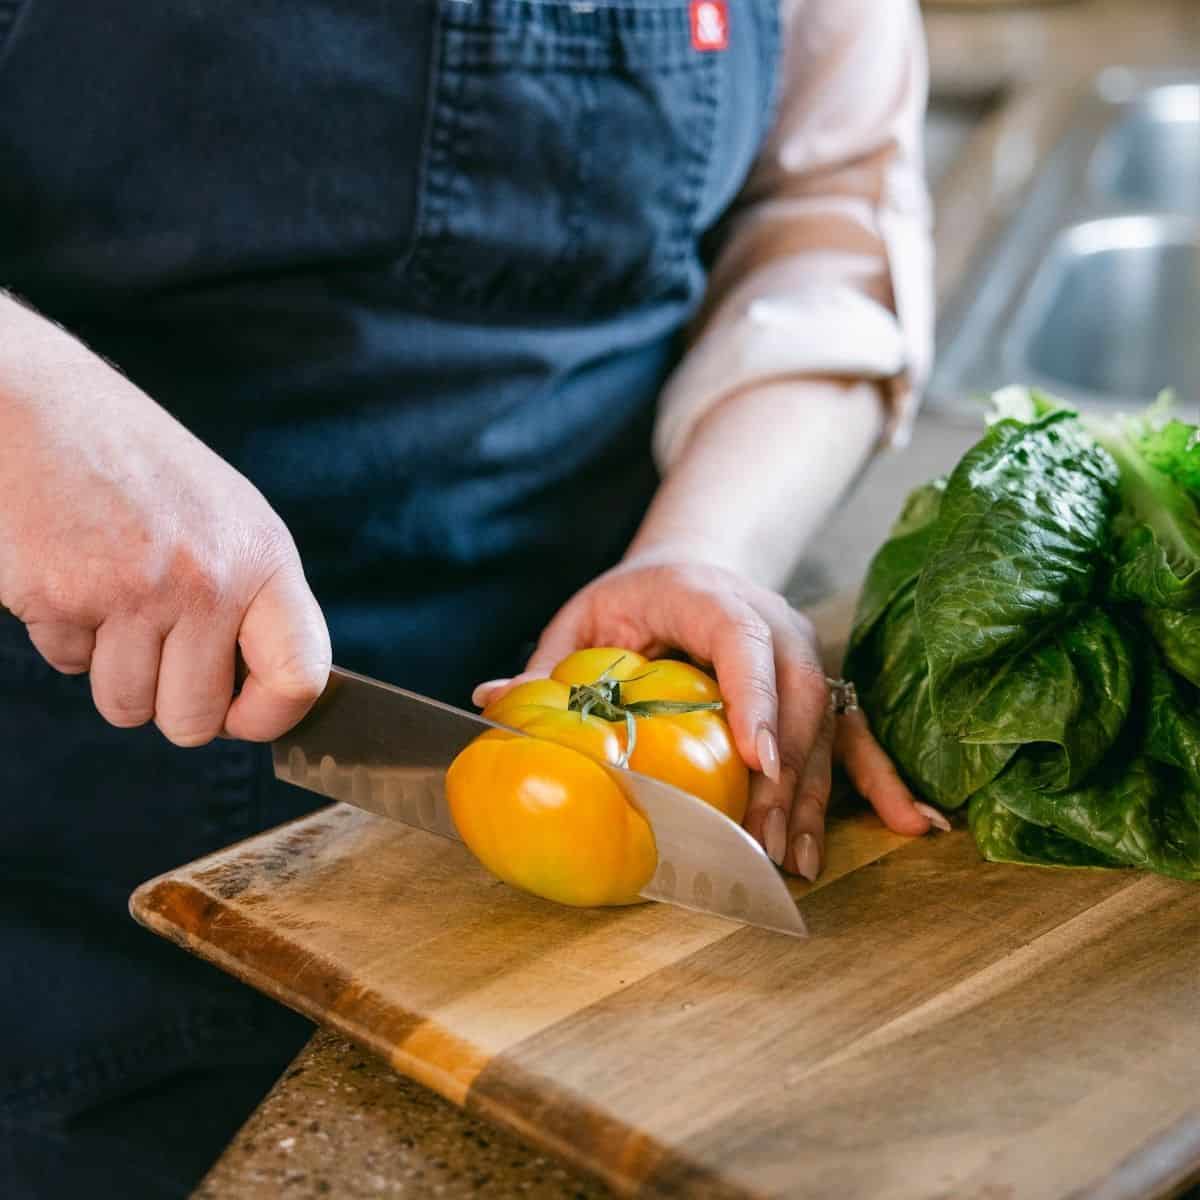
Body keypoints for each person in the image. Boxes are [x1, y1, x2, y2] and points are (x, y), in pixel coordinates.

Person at [0, 0, 937, 1194]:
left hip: (602, 854)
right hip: (68, 875)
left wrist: (709, 548)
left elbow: (822, 220)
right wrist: (20, 402)